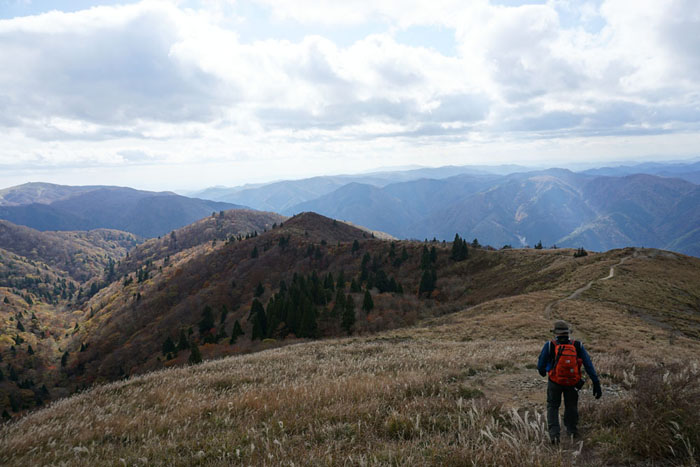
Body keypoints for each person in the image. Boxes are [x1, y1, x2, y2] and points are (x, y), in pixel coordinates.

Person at [537, 320, 602, 444]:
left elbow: (541, 364)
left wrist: (543, 371)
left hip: (554, 381)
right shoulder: (577, 345)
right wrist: (596, 382)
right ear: (568, 333)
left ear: (556, 333)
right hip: (572, 382)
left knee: (553, 406)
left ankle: (554, 435)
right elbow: (588, 364)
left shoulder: (550, 345)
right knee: (571, 405)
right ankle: (572, 430)